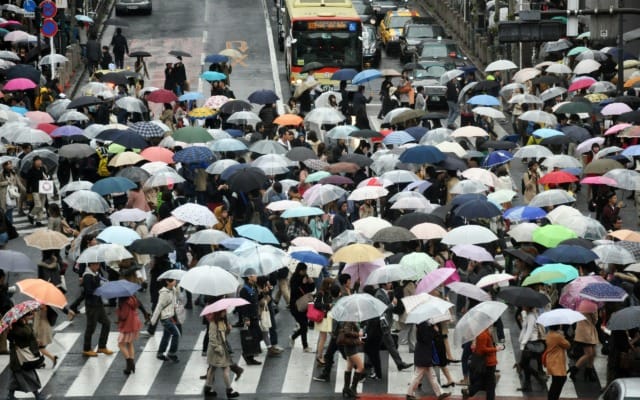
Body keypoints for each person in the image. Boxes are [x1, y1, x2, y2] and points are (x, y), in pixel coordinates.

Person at [7, 311, 49, 400]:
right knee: (29, 375)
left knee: (15, 377)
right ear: (22, 318)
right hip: (20, 357)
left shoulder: (18, 327)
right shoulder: (17, 329)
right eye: (28, 315)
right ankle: (37, 395)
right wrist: (27, 326)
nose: (30, 317)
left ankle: (10, 395)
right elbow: (26, 334)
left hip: (20, 356)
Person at [407, 321, 450, 400]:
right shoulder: (423, 325)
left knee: (431, 375)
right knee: (418, 375)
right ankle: (409, 394)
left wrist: (432, 329)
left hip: (424, 353)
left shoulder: (423, 324)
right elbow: (426, 338)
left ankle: (440, 393)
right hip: (424, 353)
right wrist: (434, 330)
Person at [204, 309, 240, 398]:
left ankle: (208, 388)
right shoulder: (213, 323)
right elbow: (212, 338)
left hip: (221, 349)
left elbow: (223, 336)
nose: (225, 313)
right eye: (223, 311)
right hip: (216, 350)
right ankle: (229, 390)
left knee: (212, 369)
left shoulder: (221, 321)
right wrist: (218, 348)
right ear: (218, 312)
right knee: (226, 369)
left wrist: (228, 330)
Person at [82, 262, 113, 357]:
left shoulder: (96, 274)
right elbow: (87, 292)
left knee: (107, 323)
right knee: (91, 328)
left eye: (98, 265)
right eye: (96, 265)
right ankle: (86, 349)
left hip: (99, 304)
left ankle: (102, 346)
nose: (98, 266)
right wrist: (98, 289)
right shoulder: (87, 276)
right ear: (90, 265)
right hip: (91, 305)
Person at [462, 327, 503, 400]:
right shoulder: (483, 335)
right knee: (490, 385)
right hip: (487, 363)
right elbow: (482, 349)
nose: (492, 326)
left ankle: (469, 391)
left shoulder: (485, 333)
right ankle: (469, 391)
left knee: (481, 382)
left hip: (487, 363)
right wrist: (495, 349)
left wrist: (494, 346)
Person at [150, 278, 180, 363]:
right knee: (176, 334)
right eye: (173, 280)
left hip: (171, 316)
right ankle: (171, 353)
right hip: (165, 318)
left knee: (166, 335)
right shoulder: (164, 294)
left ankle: (160, 353)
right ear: (167, 282)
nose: (175, 281)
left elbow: (174, 303)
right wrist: (153, 320)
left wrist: (176, 305)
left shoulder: (173, 289)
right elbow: (159, 307)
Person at [517, 306, 546, 391]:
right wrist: (522, 318)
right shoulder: (530, 315)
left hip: (530, 343)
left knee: (524, 365)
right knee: (525, 365)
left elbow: (529, 331)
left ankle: (539, 379)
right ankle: (528, 385)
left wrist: (523, 343)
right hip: (530, 343)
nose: (522, 306)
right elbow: (524, 327)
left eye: (524, 305)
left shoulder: (531, 316)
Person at [289, 263, 316, 352]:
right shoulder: (294, 278)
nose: (304, 272)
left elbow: (310, 290)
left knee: (304, 326)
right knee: (304, 325)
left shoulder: (306, 276)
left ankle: (293, 337)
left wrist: (311, 282)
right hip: (296, 306)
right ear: (299, 270)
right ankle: (305, 346)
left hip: (305, 305)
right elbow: (295, 292)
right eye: (303, 271)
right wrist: (302, 283)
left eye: (305, 271)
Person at [338, 321, 365, 399]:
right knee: (360, 367)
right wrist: (358, 334)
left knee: (349, 367)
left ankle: (346, 389)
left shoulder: (351, 322)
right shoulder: (348, 322)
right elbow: (347, 332)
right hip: (350, 348)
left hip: (351, 346)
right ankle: (352, 389)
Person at [117, 293, 143, 375]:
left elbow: (123, 316)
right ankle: (130, 365)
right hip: (134, 323)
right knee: (130, 343)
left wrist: (118, 310)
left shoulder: (124, 302)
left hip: (128, 324)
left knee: (121, 344)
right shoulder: (132, 298)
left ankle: (130, 363)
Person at [545, 325, 570, 400]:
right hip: (557, 362)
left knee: (555, 383)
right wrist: (562, 335)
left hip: (551, 361)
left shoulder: (549, 334)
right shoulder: (557, 336)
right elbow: (567, 345)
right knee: (559, 381)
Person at [313, 277, 334, 365]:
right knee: (323, 338)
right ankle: (320, 356)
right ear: (328, 284)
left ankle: (324, 356)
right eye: (331, 284)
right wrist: (327, 305)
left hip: (327, 317)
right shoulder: (321, 293)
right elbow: (316, 305)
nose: (332, 285)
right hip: (323, 318)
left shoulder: (327, 292)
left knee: (326, 337)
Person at [24, 156, 49, 226]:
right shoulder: (31, 170)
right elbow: (28, 181)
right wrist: (28, 190)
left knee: (41, 206)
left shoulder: (43, 168)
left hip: (43, 189)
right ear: (34, 162)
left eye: (40, 161)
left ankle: (39, 221)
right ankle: (31, 215)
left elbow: (46, 176)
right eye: (37, 161)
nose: (39, 162)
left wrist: (46, 176)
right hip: (35, 190)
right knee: (38, 205)